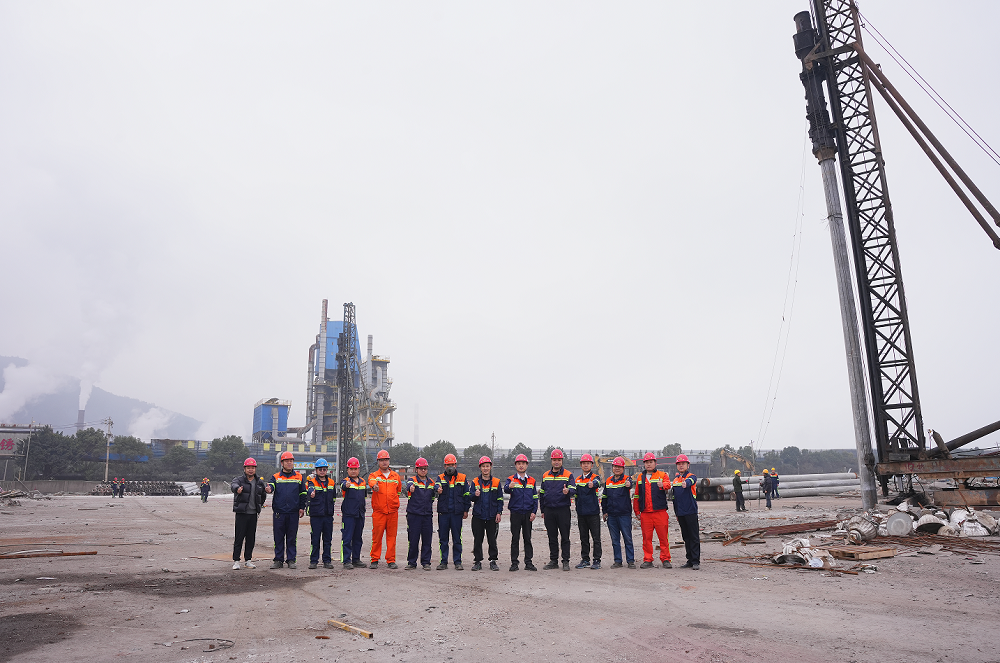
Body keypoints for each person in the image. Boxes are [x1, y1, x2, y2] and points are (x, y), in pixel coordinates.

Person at [267, 451, 306, 569]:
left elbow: (303, 493)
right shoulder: (276, 477)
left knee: (291, 537)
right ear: (282, 463)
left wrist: (302, 507)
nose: (289, 463)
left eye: (291, 461)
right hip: (279, 512)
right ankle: (278, 560)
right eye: (287, 461)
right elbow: (271, 485)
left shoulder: (299, 477)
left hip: (293, 512)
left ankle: (291, 560)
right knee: (278, 537)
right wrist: (269, 489)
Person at [632, 452, 672, 569]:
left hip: (660, 512)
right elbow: (637, 495)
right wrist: (637, 511)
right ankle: (648, 559)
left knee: (663, 538)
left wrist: (662, 484)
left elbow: (668, 485)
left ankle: (666, 559)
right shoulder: (640, 477)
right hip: (646, 513)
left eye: (651, 462)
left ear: (655, 463)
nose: (649, 464)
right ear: (644, 464)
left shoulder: (662, 475)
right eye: (647, 462)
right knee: (646, 539)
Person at [539, 448, 576, 571]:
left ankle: (565, 561)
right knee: (552, 537)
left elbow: (574, 489)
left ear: (562, 461)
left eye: (559, 460)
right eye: (554, 460)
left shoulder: (568, 475)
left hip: (563, 510)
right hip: (549, 510)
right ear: (551, 461)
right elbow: (542, 493)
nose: (556, 462)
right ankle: (553, 561)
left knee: (565, 537)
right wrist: (542, 510)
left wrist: (568, 491)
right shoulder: (545, 475)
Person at [368, 449, 403, 569]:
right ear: (378, 461)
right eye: (382, 460)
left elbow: (398, 491)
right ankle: (374, 559)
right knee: (376, 537)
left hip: (392, 512)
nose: (384, 462)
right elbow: (371, 481)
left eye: (386, 460)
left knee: (392, 538)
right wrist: (374, 486)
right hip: (379, 512)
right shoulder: (374, 476)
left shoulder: (396, 476)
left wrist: (393, 502)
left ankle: (391, 560)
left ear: (389, 461)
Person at [435, 453, 470, 570]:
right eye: (448, 465)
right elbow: (436, 486)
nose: (450, 467)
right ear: (444, 466)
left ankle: (457, 562)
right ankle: (443, 562)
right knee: (443, 539)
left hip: (457, 513)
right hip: (444, 513)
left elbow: (466, 495)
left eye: (452, 464)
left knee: (457, 539)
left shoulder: (462, 477)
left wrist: (466, 510)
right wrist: (437, 489)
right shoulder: (440, 477)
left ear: (456, 465)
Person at [231, 457, 267, 569]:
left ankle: (248, 560)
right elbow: (233, 485)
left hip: (253, 514)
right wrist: (237, 489)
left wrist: (259, 505)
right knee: (239, 537)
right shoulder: (239, 480)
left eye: (253, 467)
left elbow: (263, 495)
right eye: (248, 468)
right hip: (242, 514)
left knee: (251, 538)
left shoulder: (259, 482)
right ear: (244, 469)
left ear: (255, 469)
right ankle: (236, 561)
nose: (250, 470)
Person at [503, 453, 538, 572]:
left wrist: (534, 511)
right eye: (519, 463)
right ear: (516, 465)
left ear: (527, 465)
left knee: (527, 538)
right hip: (516, 513)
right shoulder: (511, 479)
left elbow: (535, 497)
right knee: (515, 538)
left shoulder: (532, 480)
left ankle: (528, 562)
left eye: (523, 463)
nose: (521, 465)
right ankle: (514, 563)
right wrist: (510, 486)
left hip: (528, 513)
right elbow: (506, 489)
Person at [469, 456, 504, 571]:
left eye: (487, 466)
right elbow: (470, 497)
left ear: (490, 467)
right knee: (477, 540)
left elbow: (500, 499)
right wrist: (475, 495)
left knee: (492, 540)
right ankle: (477, 561)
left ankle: (493, 561)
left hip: (492, 516)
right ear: (480, 467)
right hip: (478, 515)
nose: (485, 468)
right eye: (483, 466)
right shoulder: (475, 482)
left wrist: (499, 512)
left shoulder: (496, 482)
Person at [602, 456, 636, 569]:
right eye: (615, 466)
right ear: (612, 467)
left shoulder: (627, 479)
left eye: (619, 467)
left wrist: (628, 484)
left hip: (624, 515)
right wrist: (604, 512)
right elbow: (604, 497)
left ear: (623, 468)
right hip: (611, 515)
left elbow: (630, 484)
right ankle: (618, 561)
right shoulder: (608, 481)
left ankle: (630, 561)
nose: (617, 468)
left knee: (627, 538)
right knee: (615, 540)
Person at [405, 457, 436, 570]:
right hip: (414, 515)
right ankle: (412, 562)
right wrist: (411, 488)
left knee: (427, 540)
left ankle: (426, 562)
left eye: (425, 468)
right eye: (421, 468)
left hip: (427, 515)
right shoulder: (412, 480)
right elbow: (408, 486)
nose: (423, 470)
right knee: (413, 540)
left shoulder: (431, 482)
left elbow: (432, 497)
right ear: (416, 469)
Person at [574, 454, 603, 569]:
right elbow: (575, 494)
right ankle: (585, 559)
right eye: (584, 463)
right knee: (584, 538)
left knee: (596, 538)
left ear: (592, 465)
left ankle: (597, 560)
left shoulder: (595, 477)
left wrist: (593, 484)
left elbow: (598, 482)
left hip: (593, 513)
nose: (586, 465)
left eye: (588, 463)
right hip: (581, 513)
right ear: (581, 465)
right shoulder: (577, 480)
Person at [671, 454, 700, 570]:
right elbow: (674, 498)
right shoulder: (675, 480)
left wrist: (686, 483)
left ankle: (696, 561)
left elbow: (691, 481)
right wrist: (676, 513)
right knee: (686, 537)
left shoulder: (691, 476)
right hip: (681, 513)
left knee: (694, 537)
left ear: (688, 465)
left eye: (683, 463)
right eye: (679, 464)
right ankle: (689, 560)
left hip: (691, 512)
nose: (681, 465)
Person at [305, 458, 336, 569]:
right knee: (315, 539)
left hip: (328, 516)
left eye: (324, 469)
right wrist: (311, 493)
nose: (322, 471)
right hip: (316, 516)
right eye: (320, 469)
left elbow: (333, 497)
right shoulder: (312, 482)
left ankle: (327, 561)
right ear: (316, 470)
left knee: (327, 540)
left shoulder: (331, 482)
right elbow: (309, 489)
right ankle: (314, 561)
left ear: (327, 470)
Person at [340, 457, 369, 569]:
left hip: (360, 514)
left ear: (358, 469)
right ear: (347, 470)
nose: (353, 471)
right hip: (349, 515)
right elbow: (343, 486)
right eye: (351, 469)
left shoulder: (362, 482)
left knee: (358, 538)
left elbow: (364, 497)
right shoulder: (345, 481)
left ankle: (356, 559)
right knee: (347, 538)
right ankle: (346, 561)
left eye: (355, 469)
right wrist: (346, 485)